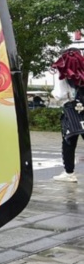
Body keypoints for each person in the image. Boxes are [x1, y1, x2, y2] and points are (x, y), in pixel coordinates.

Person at [51, 48, 84, 183]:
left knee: (69, 141)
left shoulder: (64, 73)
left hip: (71, 109)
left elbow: (59, 95)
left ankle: (69, 172)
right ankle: (68, 173)